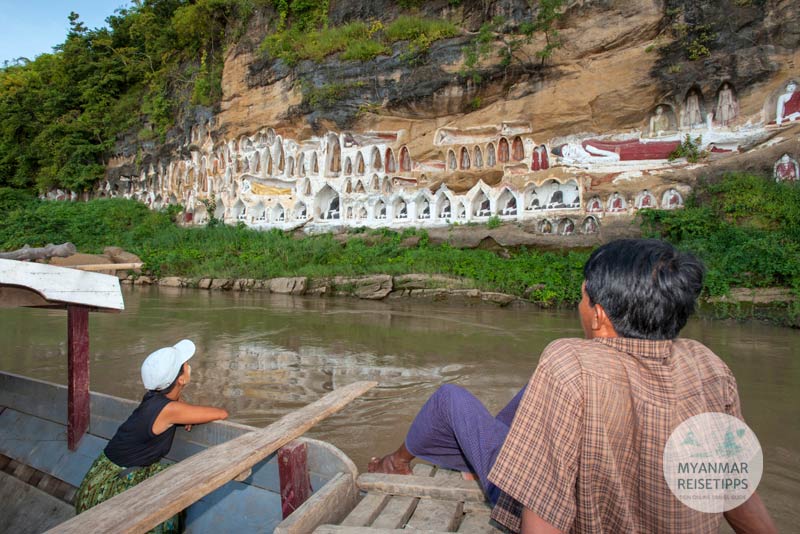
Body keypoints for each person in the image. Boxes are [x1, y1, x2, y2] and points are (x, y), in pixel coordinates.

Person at [368, 239, 776, 534]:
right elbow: (732, 487)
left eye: (581, 298)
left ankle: (397, 460)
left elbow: (542, 514)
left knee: (448, 398)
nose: (577, 307)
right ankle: (475, 462)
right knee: (533, 392)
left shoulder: (571, 362)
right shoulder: (708, 365)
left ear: (598, 316)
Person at [74, 340, 228, 532]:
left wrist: (185, 411)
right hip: (108, 492)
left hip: (98, 480)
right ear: (180, 379)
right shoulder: (170, 410)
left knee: (173, 473)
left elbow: (173, 403)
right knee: (176, 481)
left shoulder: (153, 399)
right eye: (185, 365)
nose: (189, 365)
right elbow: (221, 414)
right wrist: (185, 413)